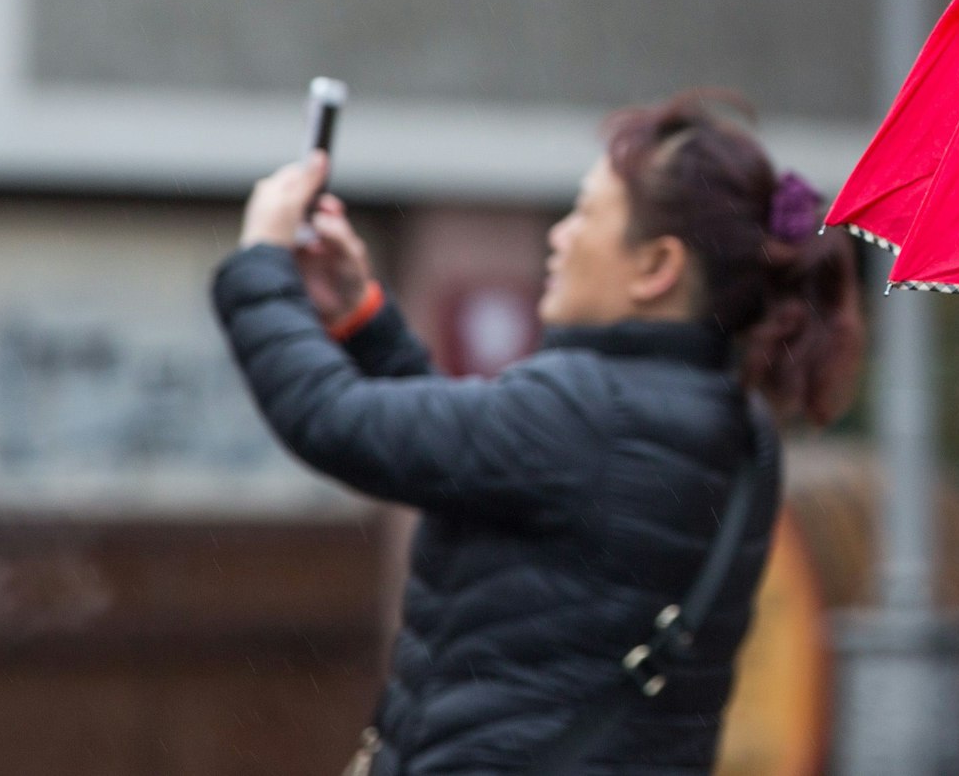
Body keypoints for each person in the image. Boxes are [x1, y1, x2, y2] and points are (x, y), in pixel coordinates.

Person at [211, 90, 863, 776]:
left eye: (583, 214)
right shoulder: (739, 433)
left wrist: (263, 260)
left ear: (656, 268)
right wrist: (361, 316)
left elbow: (332, 418)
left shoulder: (591, 411)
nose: (560, 235)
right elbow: (473, 458)